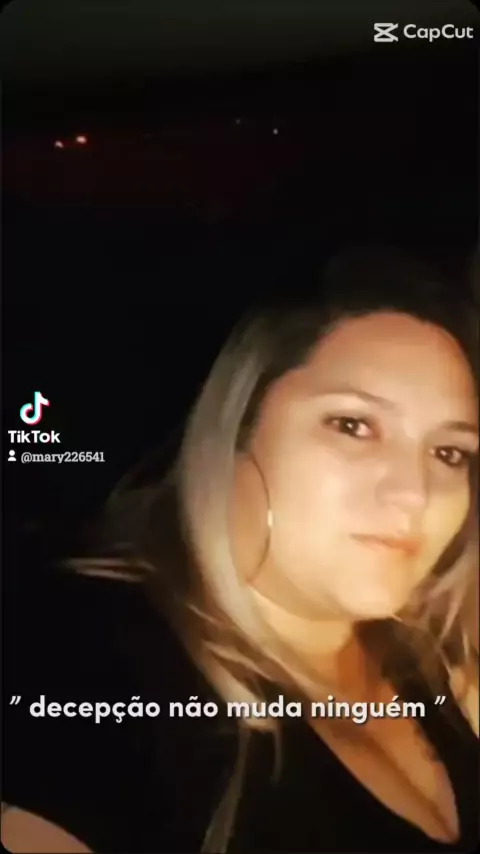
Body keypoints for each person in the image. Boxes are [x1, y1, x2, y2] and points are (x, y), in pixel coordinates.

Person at [3, 247, 479, 853]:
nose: (416, 493)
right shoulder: (97, 663)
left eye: (449, 453)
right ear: (237, 429)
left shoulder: (433, 659)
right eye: (353, 425)